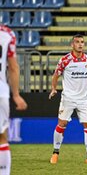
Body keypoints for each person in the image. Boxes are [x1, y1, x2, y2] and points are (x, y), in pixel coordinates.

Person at [49, 34, 87, 164]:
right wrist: (53, 89)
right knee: (62, 124)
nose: (80, 44)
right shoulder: (65, 60)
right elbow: (56, 75)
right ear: (72, 45)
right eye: (77, 42)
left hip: (84, 99)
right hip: (68, 98)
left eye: (82, 42)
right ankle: (55, 153)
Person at [0, 25, 27, 175]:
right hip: (1, 90)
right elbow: (13, 67)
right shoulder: (7, 33)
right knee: (2, 137)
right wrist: (16, 95)